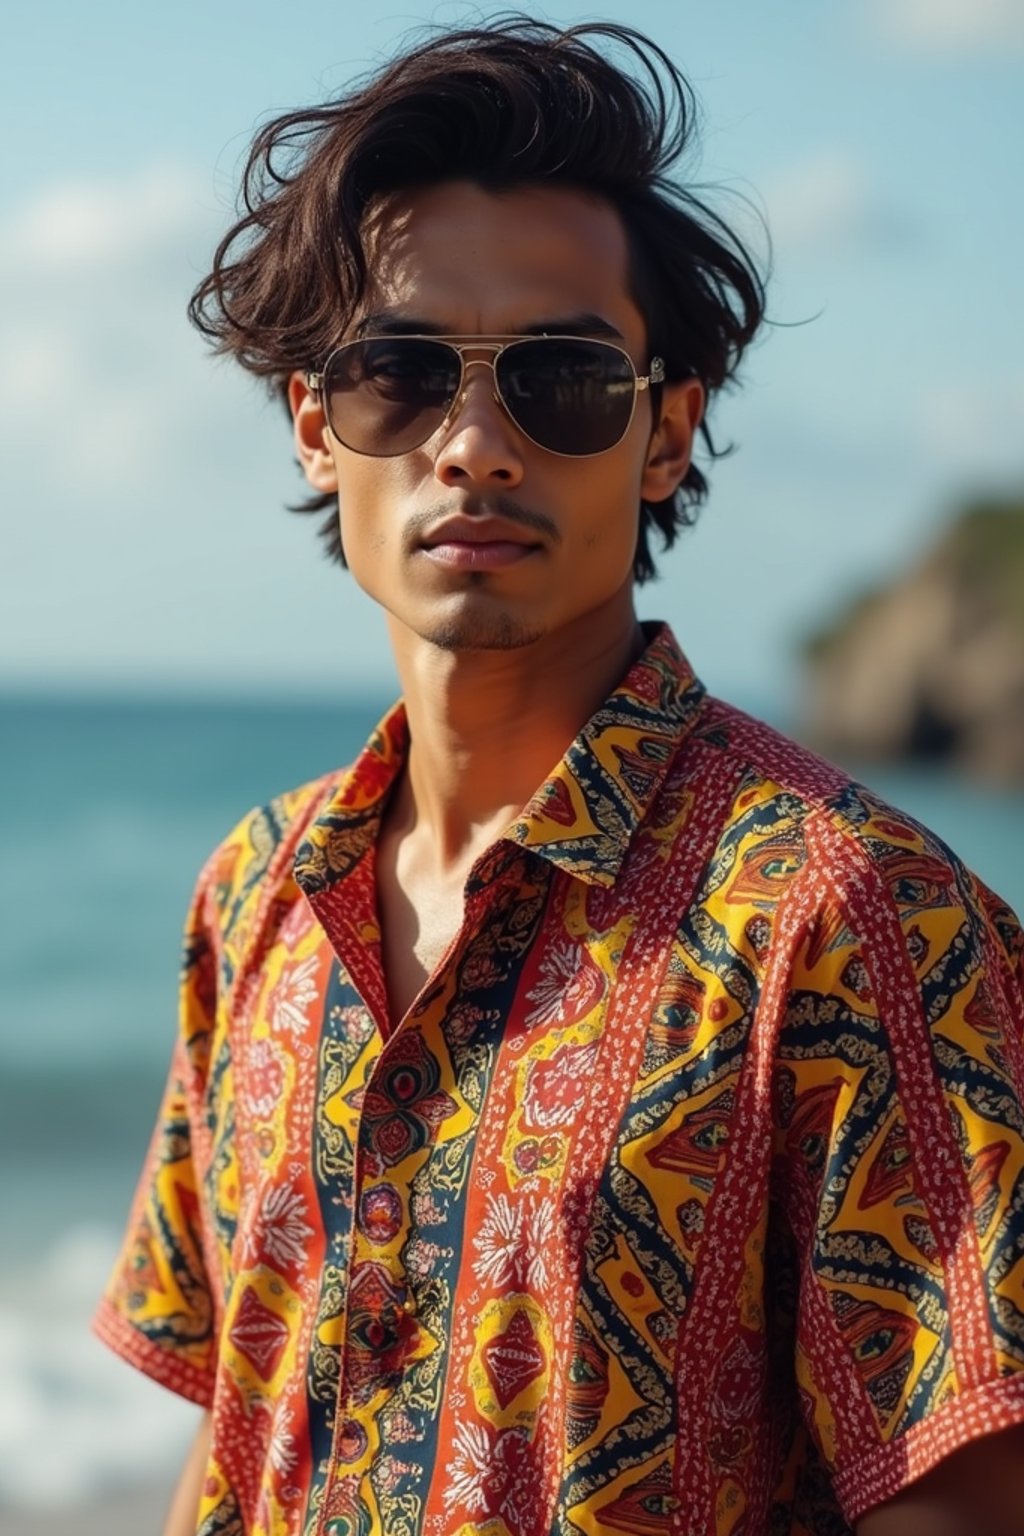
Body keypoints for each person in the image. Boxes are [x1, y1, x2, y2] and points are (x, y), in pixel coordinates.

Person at [94, 18, 1024, 1536]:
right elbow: (229, 1439)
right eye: (401, 374)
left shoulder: (857, 924)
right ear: (320, 426)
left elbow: (969, 1497)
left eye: (561, 379)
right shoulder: (254, 894)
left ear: (666, 432)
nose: (474, 443)